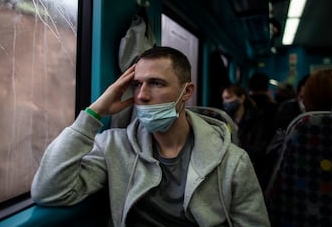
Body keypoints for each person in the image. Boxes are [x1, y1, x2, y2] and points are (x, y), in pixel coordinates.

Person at [31, 46, 270, 226]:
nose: (142, 96)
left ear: (186, 92)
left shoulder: (232, 161)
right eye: (137, 85)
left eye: (155, 83)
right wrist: (95, 113)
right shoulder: (114, 146)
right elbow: (49, 191)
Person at [221, 84, 273, 190]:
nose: (225, 102)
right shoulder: (224, 120)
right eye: (223, 99)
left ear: (241, 98)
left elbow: (259, 149)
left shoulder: (258, 119)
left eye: (228, 98)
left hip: (253, 168)